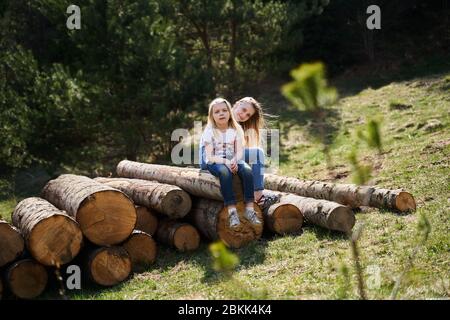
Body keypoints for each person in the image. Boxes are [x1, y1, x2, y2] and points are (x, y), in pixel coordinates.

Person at [200, 96, 277, 208]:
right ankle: (258, 196)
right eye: (244, 110)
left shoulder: (235, 126)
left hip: (222, 157)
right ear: (236, 104)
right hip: (209, 158)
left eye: (248, 115)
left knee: (253, 156)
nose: (244, 115)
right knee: (257, 154)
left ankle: (253, 193)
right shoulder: (221, 117)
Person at [200, 98, 261, 228]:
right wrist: (227, 162)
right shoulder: (210, 131)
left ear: (229, 112)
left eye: (224, 110)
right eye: (217, 112)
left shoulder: (235, 129)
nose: (221, 113)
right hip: (214, 159)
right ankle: (232, 211)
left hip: (230, 158)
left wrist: (234, 160)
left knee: (247, 170)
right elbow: (210, 156)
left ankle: (250, 208)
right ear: (212, 116)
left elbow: (239, 151)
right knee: (224, 171)